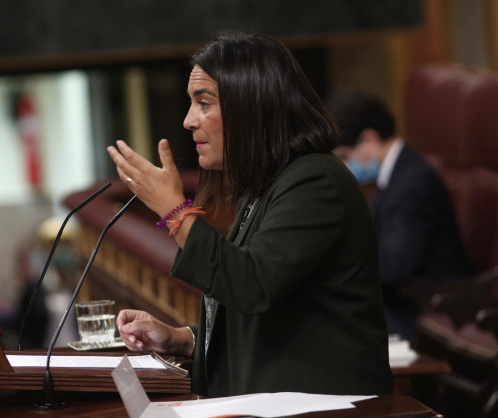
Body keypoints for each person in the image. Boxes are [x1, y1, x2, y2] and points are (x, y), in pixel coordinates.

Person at [107, 32, 392, 397]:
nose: (188, 121)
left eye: (204, 103)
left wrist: (173, 209)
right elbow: (260, 310)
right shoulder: (267, 183)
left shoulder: (317, 181)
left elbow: (252, 285)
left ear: (251, 106)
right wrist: (182, 340)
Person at [324, 90, 474, 340]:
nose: (344, 167)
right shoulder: (396, 175)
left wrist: (333, 265)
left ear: (370, 139)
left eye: (344, 157)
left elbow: (393, 267)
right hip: (408, 295)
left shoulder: (412, 182)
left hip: (429, 301)